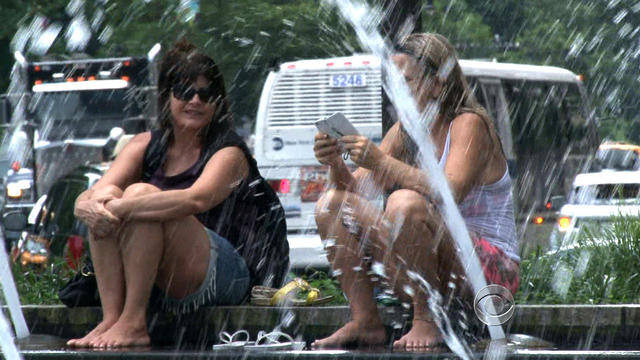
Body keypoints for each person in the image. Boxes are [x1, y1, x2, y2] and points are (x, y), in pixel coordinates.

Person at [67, 39, 289, 348]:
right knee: (111, 193)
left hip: (227, 275)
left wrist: (122, 207)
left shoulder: (228, 152)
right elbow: (92, 195)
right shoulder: (144, 144)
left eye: (206, 93)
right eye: (185, 91)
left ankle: (133, 322)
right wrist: (87, 207)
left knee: (140, 195)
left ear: (218, 102)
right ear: (167, 97)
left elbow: (195, 199)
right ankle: (112, 318)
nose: (195, 100)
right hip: (162, 276)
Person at [312, 33, 519, 351]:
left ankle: (427, 319)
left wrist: (381, 162)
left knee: (404, 203)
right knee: (332, 205)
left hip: (487, 277)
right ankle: (366, 320)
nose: (395, 88)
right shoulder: (405, 130)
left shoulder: (469, 124)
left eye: (405, 79)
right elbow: (357, 192)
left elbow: (451, 192)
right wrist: (335, 162)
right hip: (433, 268)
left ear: (438, 84)